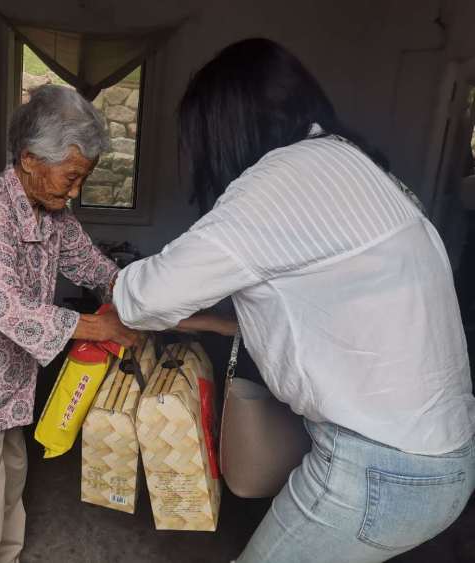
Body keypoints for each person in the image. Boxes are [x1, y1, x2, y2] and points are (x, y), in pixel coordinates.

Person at [112, 38, 475, 562]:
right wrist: (213, 324)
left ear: (224, 129)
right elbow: (319, 307)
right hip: (442, 456)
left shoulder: (280, 179)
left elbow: (142, 299)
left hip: (380, 470)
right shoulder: (358, 165)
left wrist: (114, 282)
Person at [0, 85, 138, 563]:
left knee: (10, 482)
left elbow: (95, 268)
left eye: (83, 178)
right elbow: (8, 307)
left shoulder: (53, 213)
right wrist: (101, 328)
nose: (75, 190)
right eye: (72, 177)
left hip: (10, 381)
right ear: (29, 160)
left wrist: (141, 297)